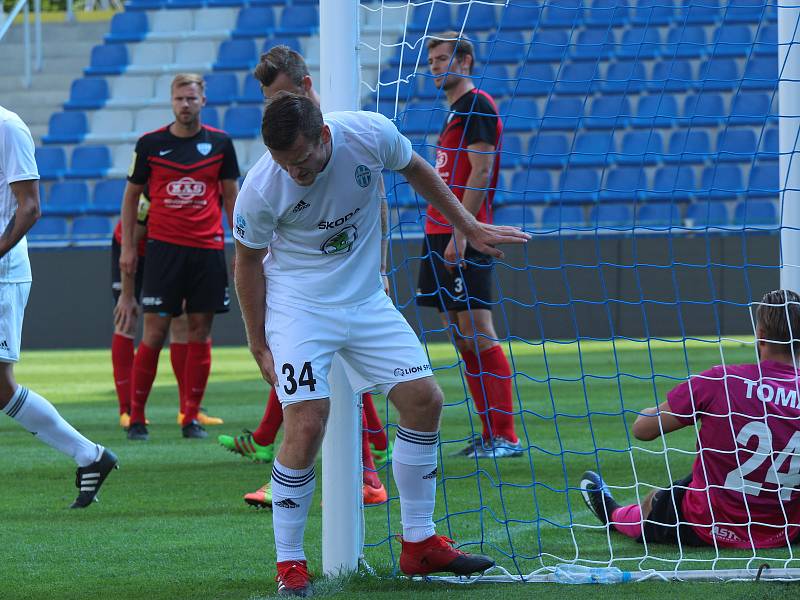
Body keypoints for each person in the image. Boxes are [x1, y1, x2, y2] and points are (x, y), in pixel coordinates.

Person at [234, 92, 530, 594]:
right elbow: (245, 263)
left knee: (424, 400)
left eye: (302, 162)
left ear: (324, 137)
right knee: (307, 421)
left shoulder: (368, 133)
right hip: (299, 308)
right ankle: (290, 565)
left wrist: (467, 224)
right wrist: (258, 342)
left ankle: (419, 544)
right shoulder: (262, 188)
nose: (296, 175)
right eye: (286, 166)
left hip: (366, 299)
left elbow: (416, 169)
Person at [216, 45, 391, 508]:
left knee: (319, 378)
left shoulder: (342, 138)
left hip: (341, 287)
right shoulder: (280, 162)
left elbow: (375, 197)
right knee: (307, 377)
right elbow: (250, 252)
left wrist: (380, 267)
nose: (274, 109)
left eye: (280, 97)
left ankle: (358, 471)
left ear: (306, 89)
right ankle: (356, 463)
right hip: (297, 283)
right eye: (268, 101)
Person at [582, 289, 800, 549]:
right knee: (696, 479)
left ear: (760, 335)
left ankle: (614, 516)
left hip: (708, 524)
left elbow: (642, 429)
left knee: (660, 499)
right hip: (786, 530)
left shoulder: (721, 380)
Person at [0, 104, 117, 507]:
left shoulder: (8, 127)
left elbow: (30, 207)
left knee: (1, 385)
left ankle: (90, 454)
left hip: (2, 275)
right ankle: (91, 456)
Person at [117, 73, 239, 441]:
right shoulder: (150, 144)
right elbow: (131, 197)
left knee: (200, 330)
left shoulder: (220, 144)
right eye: (179, 98)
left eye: (191, 98)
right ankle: (136, 417)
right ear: (171, 101)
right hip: (163, 250)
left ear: (203, 100)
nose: (185, 105)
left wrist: (241, 243)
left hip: (207, 249)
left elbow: (231, 196)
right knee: (154, 331)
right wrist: (127, 247)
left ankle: (190, 417)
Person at [416, 32, 520, 458]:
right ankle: (489, 432)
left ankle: (506, 435)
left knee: (478, 331)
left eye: (444, 59)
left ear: (466, 60)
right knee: (460, 335)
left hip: (461, 233)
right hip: (439, 231)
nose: (437, 66)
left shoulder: (477, 105)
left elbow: (480, 173)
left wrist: (463, 231)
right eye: (433, 61)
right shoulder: (454, 111)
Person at [111, 194, 224, 430]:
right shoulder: (154, 190)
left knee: (182, 320)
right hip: (132, 247)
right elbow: (132, 234)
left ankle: (188, 410)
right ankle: (128, 410)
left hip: (167, 252)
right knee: (127, 318)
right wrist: (127, 293)